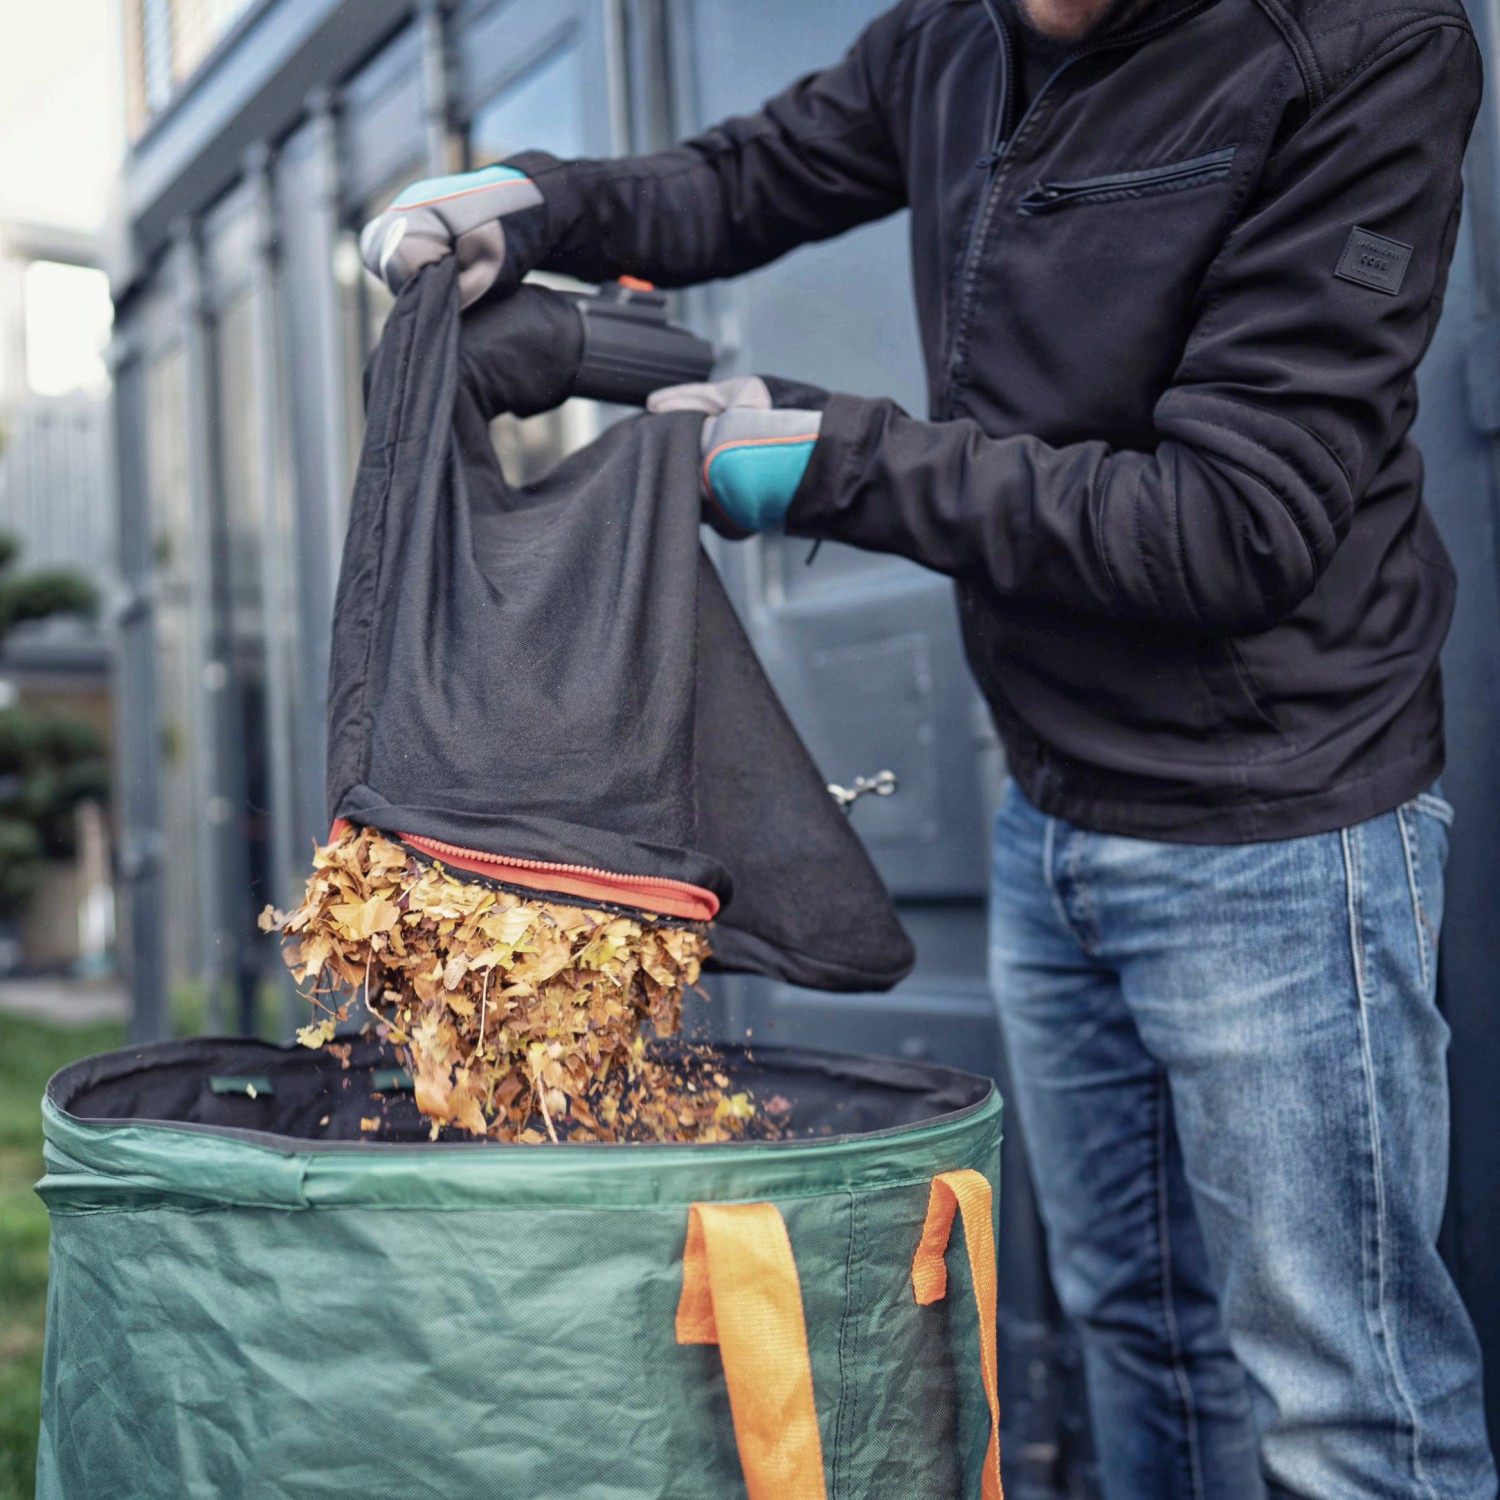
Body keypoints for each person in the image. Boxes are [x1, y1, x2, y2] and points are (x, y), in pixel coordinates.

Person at [361, 0, 1496, 1494]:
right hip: (1053, 806)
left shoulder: (1361, 46)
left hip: (1277, 833)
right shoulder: (958, 34)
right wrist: (535, 203)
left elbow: (1236, 523)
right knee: (1139, 1333)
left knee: (1342, 1396)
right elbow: (747, 175)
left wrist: (833, 461)